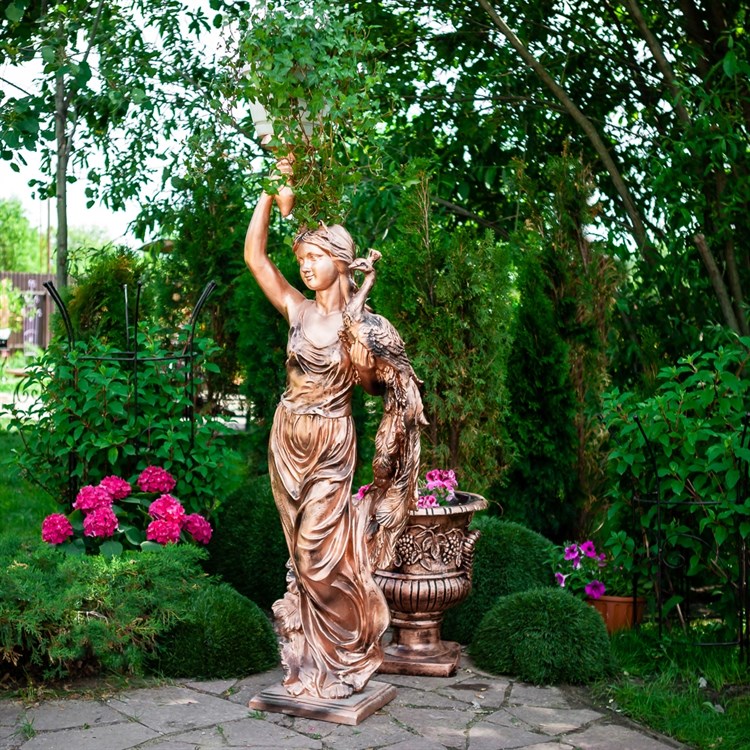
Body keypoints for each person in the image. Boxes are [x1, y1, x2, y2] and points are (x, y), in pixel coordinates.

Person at [243, 182, 390, 700]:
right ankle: (314, 661)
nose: (305, 267)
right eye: (302, 258)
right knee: (298, 557)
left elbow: (375, 387)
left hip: (330, 440)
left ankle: (349, 649)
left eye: (315, 257)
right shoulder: (297, 309)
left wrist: (363, 357)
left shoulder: (363, 322)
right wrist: (270, 191)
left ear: (342, 262)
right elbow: (255, 258)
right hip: (287, 438)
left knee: (314, 554)